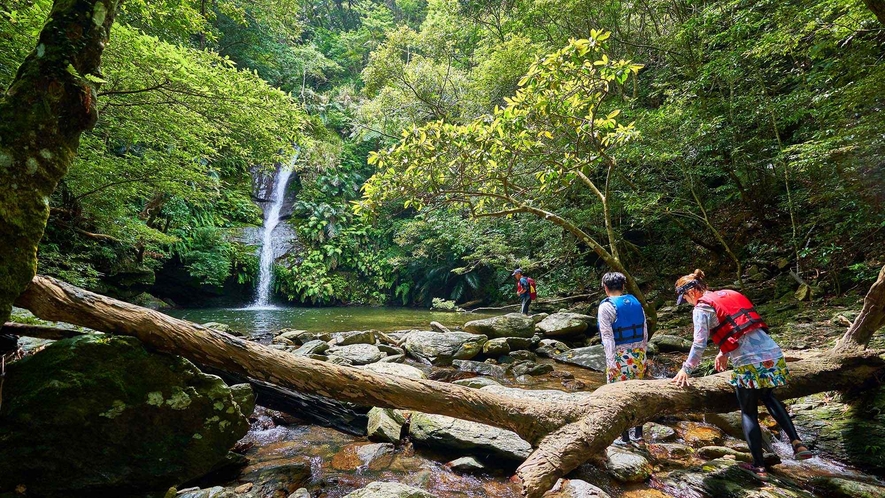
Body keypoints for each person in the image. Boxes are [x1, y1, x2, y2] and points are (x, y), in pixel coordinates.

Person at [671, 269, 813, 480]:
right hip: (773, 355)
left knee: (748, 412)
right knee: (767, 395)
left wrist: (686, 369)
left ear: (691, 292)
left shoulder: (701, 308)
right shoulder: (728, 293)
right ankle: (797, 442)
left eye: (685, 299)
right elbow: (741, 327)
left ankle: (759, 465)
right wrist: (723, 352)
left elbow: (699, 343)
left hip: (749, 363)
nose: (687, 303)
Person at [597, 271, 648, 446]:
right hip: (638, 356)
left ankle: (624, 437)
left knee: (618, 396)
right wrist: (644, 355)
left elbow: (607, 336)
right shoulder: (636, 302)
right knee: (638, 395)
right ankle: (639, 435)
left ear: (605, 288)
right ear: (623, 286)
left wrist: (611, 362)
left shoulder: (606, 307)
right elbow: (644, 330)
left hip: (620, 358)